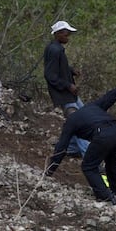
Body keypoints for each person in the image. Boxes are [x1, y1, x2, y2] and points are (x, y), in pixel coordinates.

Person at [46, 74, 116, 205]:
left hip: (103, 135)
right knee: (113, 164)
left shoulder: (71, 122)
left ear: (66, 116)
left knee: (88, 166)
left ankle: (105, 196)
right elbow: (110, 97)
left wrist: (50, 170)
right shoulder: (91, 107)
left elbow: (61, 147)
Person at [43, 20, 89, 157]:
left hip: (68, 94)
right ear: (57, 34)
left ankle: (71, 148)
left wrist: (71, 71)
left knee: (83, 117)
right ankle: (87, 154)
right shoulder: (55, 50)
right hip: (64, 94)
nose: (68, 36)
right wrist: (68, 85)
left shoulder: (56, 48)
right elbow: (50, 75)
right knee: (79, 122)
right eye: (65, 33)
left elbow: (59, 69)